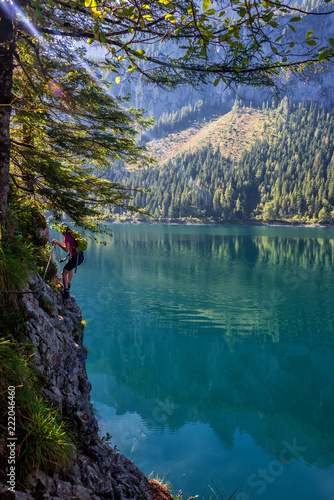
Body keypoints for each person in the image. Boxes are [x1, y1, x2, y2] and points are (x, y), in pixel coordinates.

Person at [52, 224, 83, 299]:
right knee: (69, 269)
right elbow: (67, 246)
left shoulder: (67, 237)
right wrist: (57, 242)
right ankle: (68, 284)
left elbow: (66, 249)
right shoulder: (72, 235)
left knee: (63, 273)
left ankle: (66, 291)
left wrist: (57, 243)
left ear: (63, 231)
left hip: (75, 257)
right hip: (80, 256)